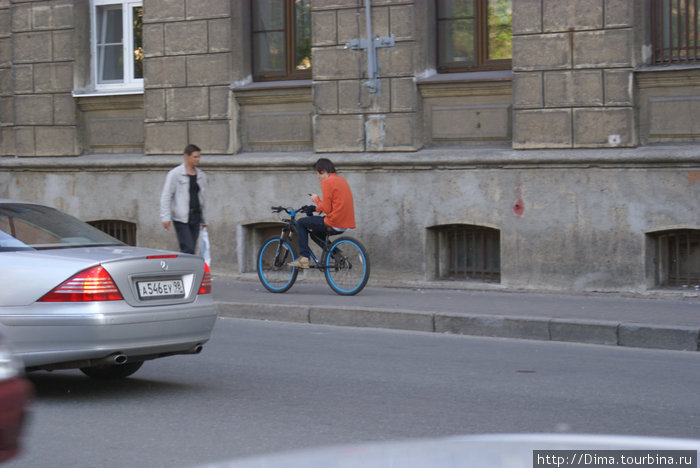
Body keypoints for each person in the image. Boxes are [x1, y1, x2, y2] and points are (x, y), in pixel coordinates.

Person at [290, 158, 355, 268]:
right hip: (344, 223)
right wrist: (314, 209)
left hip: (334, 221)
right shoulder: (341, 180)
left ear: (323, 171)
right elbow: (332, 205)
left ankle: (304, 258)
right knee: (315, 234)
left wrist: (316, 200)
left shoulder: (327, 182)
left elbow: (326, 208)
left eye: (317, 173)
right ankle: (338, 254)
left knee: (301, 223)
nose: (318, 177)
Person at [160, 144, 207, 254]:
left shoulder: (200, 175)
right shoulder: (175, 174)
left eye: (199, 157)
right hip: (181, 217)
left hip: (196, 216)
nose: (198, 159)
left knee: (192, 248)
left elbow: (203, 198)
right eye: (195, 157)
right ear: (186, 156)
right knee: (188, 247)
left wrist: (205, 219)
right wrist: (165, 217)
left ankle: (187, 269)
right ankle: (186, 269)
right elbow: (166, 195)